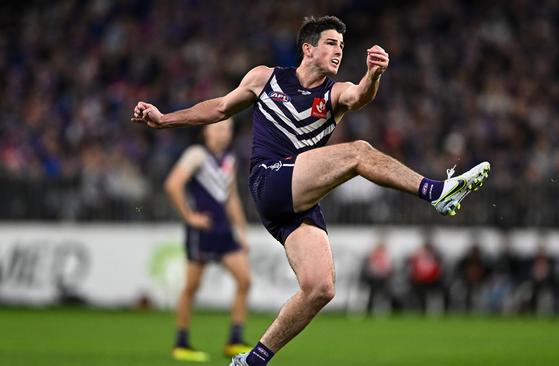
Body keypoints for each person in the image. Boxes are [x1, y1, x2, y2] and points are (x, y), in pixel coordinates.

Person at [132, 16, 490, 366]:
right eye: (331, 43)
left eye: (342, 46)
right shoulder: (265, 78)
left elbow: (359, 96)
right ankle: (434, 191)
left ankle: (252, 360)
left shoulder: (333, 93)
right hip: (269, 180)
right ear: (308, 48)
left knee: (320, 288)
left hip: (298, 201)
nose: (338, 51)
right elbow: (220, 107)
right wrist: (165, 119)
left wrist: (372, 74)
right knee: (358, 152)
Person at [165, 120, 252, 362]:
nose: (224, 133)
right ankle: (181, 343)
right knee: (192, 287)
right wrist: (190, 217)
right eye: (219, 128)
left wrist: (242, 232)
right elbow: (173, 185)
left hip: (224, 231)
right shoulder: (196, 154)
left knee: (245, 280)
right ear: (206, 131)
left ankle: (235, 339)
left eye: (228, 128)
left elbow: (232, 197)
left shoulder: (229, 159)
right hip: (202, 232)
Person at [360, 238, 393, 315]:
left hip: (382, 279)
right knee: (373, 295)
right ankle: (370, 311)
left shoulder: (383, 256)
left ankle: (384, 310)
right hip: (375, 279)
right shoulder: (374, 256)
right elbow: (371, 268)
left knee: (383, 295)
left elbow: (388, 268)